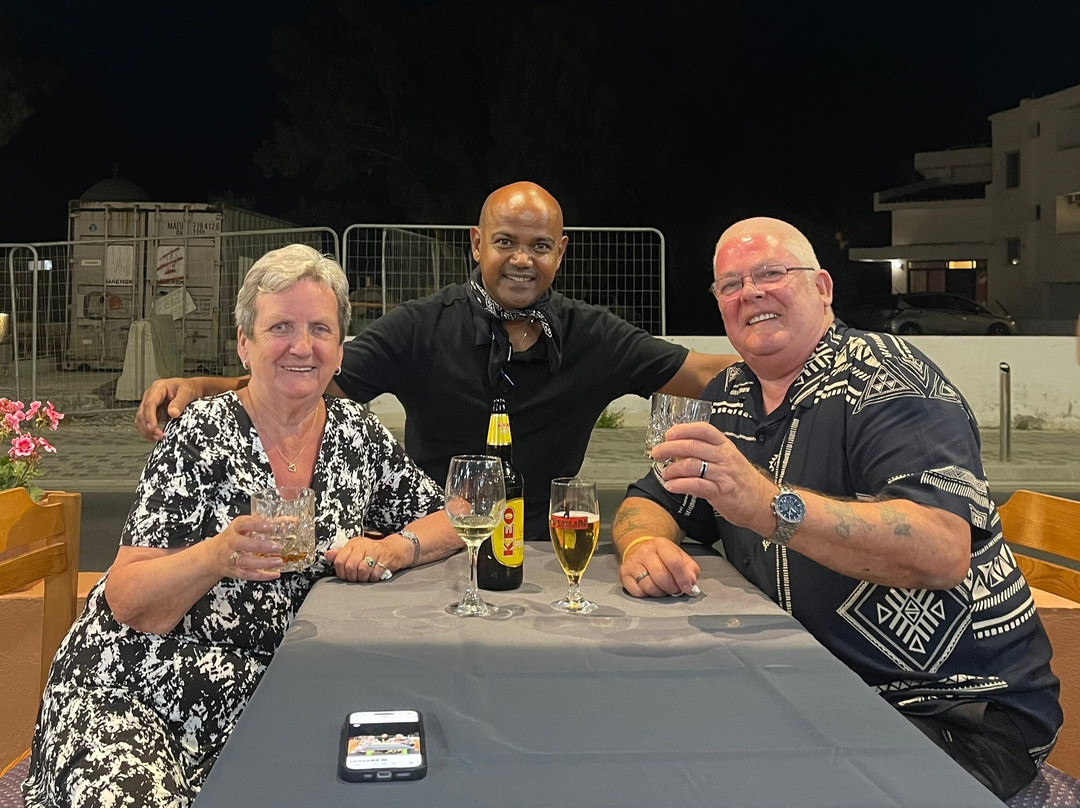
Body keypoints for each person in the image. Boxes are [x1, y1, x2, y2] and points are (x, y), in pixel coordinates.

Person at [612, 217, 1061, 801]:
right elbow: (651, 499)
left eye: (771, 273)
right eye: (731, 284)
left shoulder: (890, 381)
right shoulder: (729, 394)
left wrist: (768, 505)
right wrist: (644, 543)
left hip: (948, 711)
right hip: (811, 684)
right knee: (643, 742)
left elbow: (941, 551)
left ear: (822, 287)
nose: (751, 293)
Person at [22, 245, 461, 808]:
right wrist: (215, 556)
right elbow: (128, 598)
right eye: (280, 327)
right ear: (244, 345)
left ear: (339, 350)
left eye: (320, 329)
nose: (301, 346)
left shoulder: (357, 435)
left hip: (270, 703)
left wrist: (398, 547)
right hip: (137, 693)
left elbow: (459, 516)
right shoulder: (200, 435)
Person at [134, 181, 737, 539]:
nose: (521, 259)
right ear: (477, 243)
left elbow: (703, 373)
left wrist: (782, 362)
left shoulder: (593, 336)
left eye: (539, 246)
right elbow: (308, 379)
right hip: (431, 548)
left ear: (561, 252)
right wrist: (203, 386)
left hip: (545, 553)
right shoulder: (423, 325)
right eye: (505, 242)